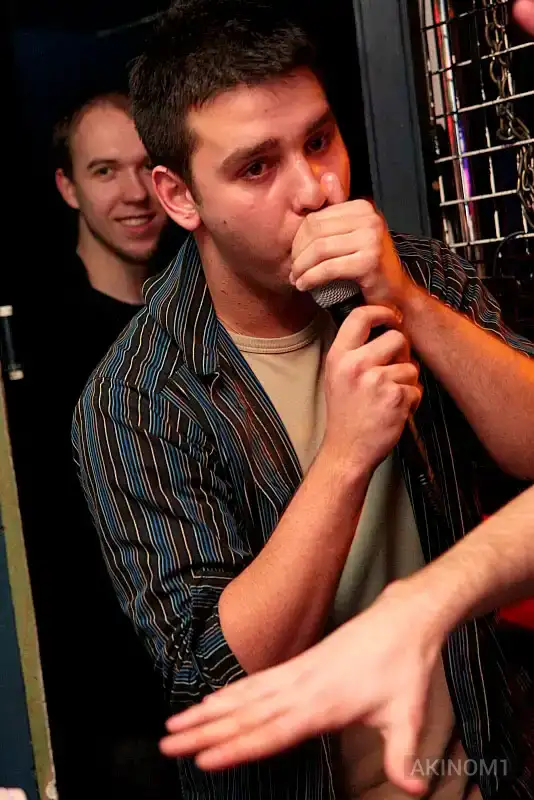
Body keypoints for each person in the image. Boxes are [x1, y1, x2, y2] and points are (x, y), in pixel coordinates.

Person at [73, 2, 534, 798]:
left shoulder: (421, 274)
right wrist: (347, 455)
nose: (316, 191)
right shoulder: (136, 397)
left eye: (319, 141)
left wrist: (411, 304)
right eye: (257, 168)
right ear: (179, 197)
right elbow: (214, 673)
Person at [18, 89, 179, 799]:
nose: (135, 194)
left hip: (213, 674)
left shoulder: (202, 314)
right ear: (68, 187)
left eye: (147, 167)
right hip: (106, 706)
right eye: (105, 170)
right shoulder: (38, 344)